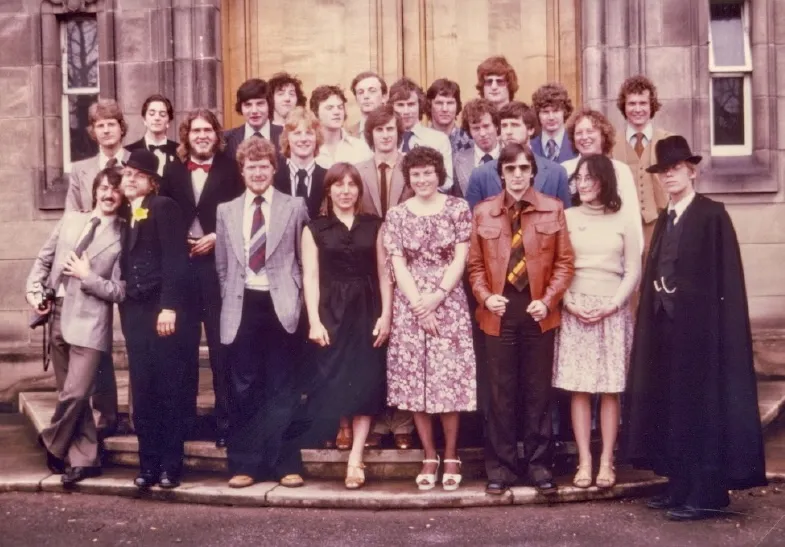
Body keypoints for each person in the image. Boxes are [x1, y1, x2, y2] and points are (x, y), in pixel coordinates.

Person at [624, 136, 766, 521]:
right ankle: (680, 486)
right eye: (663, 171)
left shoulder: (711, 214)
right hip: (667, 332)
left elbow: (725, 282)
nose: (669, 175)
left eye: (676, 168)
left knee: (701, 410)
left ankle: (706, 494)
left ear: (692, 170)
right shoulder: (667, 218)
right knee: (673, 407)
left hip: (702, 336)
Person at [467, 142, 574, 495]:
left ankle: (540, 465)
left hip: (537, 311)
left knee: (537, 391)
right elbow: (476, 265)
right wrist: (486, 296)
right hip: (499, 311)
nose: (517, 175)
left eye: (523, 168)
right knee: (500, 392)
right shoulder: (484, 213)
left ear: (533, 171)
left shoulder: (552, 209)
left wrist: (548, 300)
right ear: (501, 173)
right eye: (510, 169)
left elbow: (564, 262)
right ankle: (501, 466)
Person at [215, 137, 310, 490]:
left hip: (282, 305)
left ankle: (285, 463)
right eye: (250, 166)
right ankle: (245, 464)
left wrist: (298, 298)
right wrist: (232, 299)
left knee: (283, 386)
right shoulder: (226, 211)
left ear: (274, 168)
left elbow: (304, 260)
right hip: (243, 306)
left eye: (263, 165)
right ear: (242, 171)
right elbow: (223, 266)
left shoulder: (294, 206)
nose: (257, 172)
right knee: (244, 387)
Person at [383, 146, 477, 491]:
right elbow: (397, 263)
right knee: (416, 383)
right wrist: (419, 305)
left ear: (439, 174)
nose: (422, 179)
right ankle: (428, 454)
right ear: (408, 177)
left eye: (428, 172)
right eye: (416, 173)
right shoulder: (397, 215)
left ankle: (451, 453)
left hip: (448, 302)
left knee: (446, 381)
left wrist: (436, 298)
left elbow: (461, 257)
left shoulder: (457, 208)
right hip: (411, 305)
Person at [27, 167, 126, 487]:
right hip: (55, 313)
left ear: (123, 196)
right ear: (95, 190)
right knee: (71, 395)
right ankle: (86, 459)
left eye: (117, 189)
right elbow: (43, 260)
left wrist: (88, 277)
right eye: (105, 187)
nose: (109, 194)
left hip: (91, 321)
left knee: (77, 391)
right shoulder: (70, 219)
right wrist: (34, 292)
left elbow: (119, 290)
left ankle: (53, 442)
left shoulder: (124, 236)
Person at [552, 154, 641, 489]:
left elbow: (633, 269)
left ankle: (607, 461)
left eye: (590, 177)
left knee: (608, 389)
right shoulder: (567, 217)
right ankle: (584, 462)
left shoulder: (624, 220)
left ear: (605, 180)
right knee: (579, 388)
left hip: (612, 312)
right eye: (580, 178)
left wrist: (613, 305)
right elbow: (556, 265)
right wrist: (569, 302)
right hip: (575, 310)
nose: (583, 184)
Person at [301, 162, 392, 489]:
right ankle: (342, 425)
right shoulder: (314, 228)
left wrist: (387, 315)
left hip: (368, 308)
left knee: (366, 378)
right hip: (330, 309)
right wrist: (313, 320)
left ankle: (356, 458)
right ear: (329, 190)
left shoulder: (376, 225)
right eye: (338, 185)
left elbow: (385, 274)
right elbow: (310, 277)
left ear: (359, 190)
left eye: (352, 184)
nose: (345, 191)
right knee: (335, 375)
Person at [159, 109, 244, 448]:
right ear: (186, 136)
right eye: (196, 131)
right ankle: (184, 422)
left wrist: (216, 237)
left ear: (216, 135)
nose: (202, 136)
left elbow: (240, 215)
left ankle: (226, 423)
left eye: (208, 130)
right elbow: (162, 212)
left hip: (216, 270)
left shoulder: (230, 169)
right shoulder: (171, 170)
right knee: (182, 349)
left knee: (223, 350)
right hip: (182, 270)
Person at [119, 149, 196, 490]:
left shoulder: (163, 206)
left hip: (160, 312)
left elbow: (175, 260)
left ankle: (170, 465)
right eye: (127, 174)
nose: (130, 179)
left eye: (137, 175)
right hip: (135, 313)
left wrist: (169, 306)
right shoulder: (129, 211)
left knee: (168, 388)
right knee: (144, 388)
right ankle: (147, 465)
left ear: (151, 181)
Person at [64, 98, 128, 439]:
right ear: (93, 132)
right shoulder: (81, 170)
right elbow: (72, 218)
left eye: (111, 123)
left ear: (121, 127)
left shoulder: (136, 162)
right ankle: (104, 414)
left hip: (126, 250)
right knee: (95, 338)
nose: (106, 129)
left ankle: (133, 412)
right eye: (99, 125)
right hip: (91, 260)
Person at [354, 104, 415, 450]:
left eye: (391, 129)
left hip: (408, 265)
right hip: (367, 269)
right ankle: (378, 420)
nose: (386, 135)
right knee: (375, 345)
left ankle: (403, 422)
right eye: (379, 130)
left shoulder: (414, 167)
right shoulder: (358, 171)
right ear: (370, 134)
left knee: (403, 346)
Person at [562, 107, 644, 250]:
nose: (584, 137)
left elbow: (632, 217)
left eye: (590, 131)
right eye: (579, 133)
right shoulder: (564, 170)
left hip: (612, 251)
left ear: (603, 135)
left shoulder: (620, 170)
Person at [465, 101, 570, 209]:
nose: (508, 131)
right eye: (504, 126)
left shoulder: (556, 173)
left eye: (515, 125)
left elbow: (565, 218)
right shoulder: (480, 175)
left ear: (530, 130)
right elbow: (473, 220)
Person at [612, 75, 673, 256]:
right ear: (624, 106)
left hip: (660, 224)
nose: (637, 109)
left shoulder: (668, 140)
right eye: (632, 104)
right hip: (622, 225)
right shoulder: (611, 143)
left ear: (651, 106)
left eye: (643, 103)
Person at [388, 77, 453, 192]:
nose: (406, 111)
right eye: (400, 105)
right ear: (392, 107)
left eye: (411, 104)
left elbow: (447, 182)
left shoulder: (438, 139)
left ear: (420, 105)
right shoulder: (386, 139)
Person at [273, 106, 327, 219]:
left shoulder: (328, 178)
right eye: (297, 133)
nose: (303, 139)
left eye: (309, 133)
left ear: (317, 137)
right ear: (287, 138)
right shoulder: (273, 178)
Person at [310, 85, 372, 168]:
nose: (337, 112)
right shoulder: (308, 148)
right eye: (329, 108)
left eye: (340, 107)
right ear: (316, 112)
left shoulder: (360, 148)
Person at [224, 78, 283, 161]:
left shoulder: (285, 135)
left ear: (269, 105)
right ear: (240, 107)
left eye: (260, 104)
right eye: (248, 105)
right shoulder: (227, 139)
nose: (254, 111)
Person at [452, 98, 499, 198]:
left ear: (496, 126)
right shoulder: (457, 161)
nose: (482, 133)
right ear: (469, 130)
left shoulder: (511, 155)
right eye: (476, 128)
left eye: (486, 126)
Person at [126, 94, 178, 175]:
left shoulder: (179, 151)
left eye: (162, 114)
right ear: (144, 119)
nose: (157, 118)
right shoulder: (129, 151)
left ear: (168, 121)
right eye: (151, 113)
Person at [530, 83, 578, 163]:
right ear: (538, 114)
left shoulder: (576, 145)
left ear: (565, 112)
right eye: (545, 112)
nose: (551, 117)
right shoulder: (530, 147)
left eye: (556, 111)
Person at [425, 78, 473, 154]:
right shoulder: (421, 140)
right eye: (439, 103)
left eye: (450, 103)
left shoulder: (470, 142)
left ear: (457, 106)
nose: (445, 109)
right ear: (429, 105)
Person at [347, 71, 388, 138]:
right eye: (360, 92)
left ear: (384, 97)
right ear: (356, 99)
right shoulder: (347, 135)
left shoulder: (395, 130)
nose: (366, 96)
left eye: (372, 91)